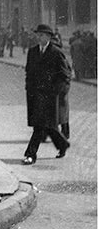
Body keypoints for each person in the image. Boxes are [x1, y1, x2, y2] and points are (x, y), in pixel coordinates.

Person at [22, 24, 71, 165]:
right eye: (38, 34)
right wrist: (28, 88)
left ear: (49, 37)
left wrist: (56, 92)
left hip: (50, 96)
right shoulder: (32, 52)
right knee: (48, 126)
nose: (39, 37)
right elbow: (28, 72)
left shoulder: (56, 52)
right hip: (35, 95)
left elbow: (65, 75)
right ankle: (62, 144)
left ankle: (30, 155)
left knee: (39, 126)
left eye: (42, 35)